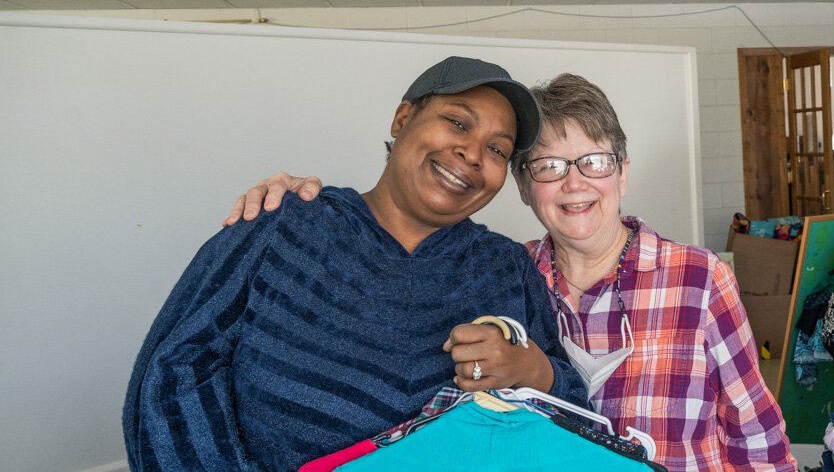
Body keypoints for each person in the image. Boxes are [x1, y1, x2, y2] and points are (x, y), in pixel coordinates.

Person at [226, 74, 797, 470]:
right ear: (524, 187)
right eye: (548, 166)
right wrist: (299, 197)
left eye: (594, 161)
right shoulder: (502, 274)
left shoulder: (697, 279)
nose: (574, 183)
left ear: (621, 172)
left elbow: (758, 438)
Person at [124, 57, 585, 471]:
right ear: (403, 118)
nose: (472, 154)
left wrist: (536, 371)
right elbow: (172, 373)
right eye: (457, 123)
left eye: (498, 150)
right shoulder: (280, 227)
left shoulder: (506, 268)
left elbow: (573, 410)